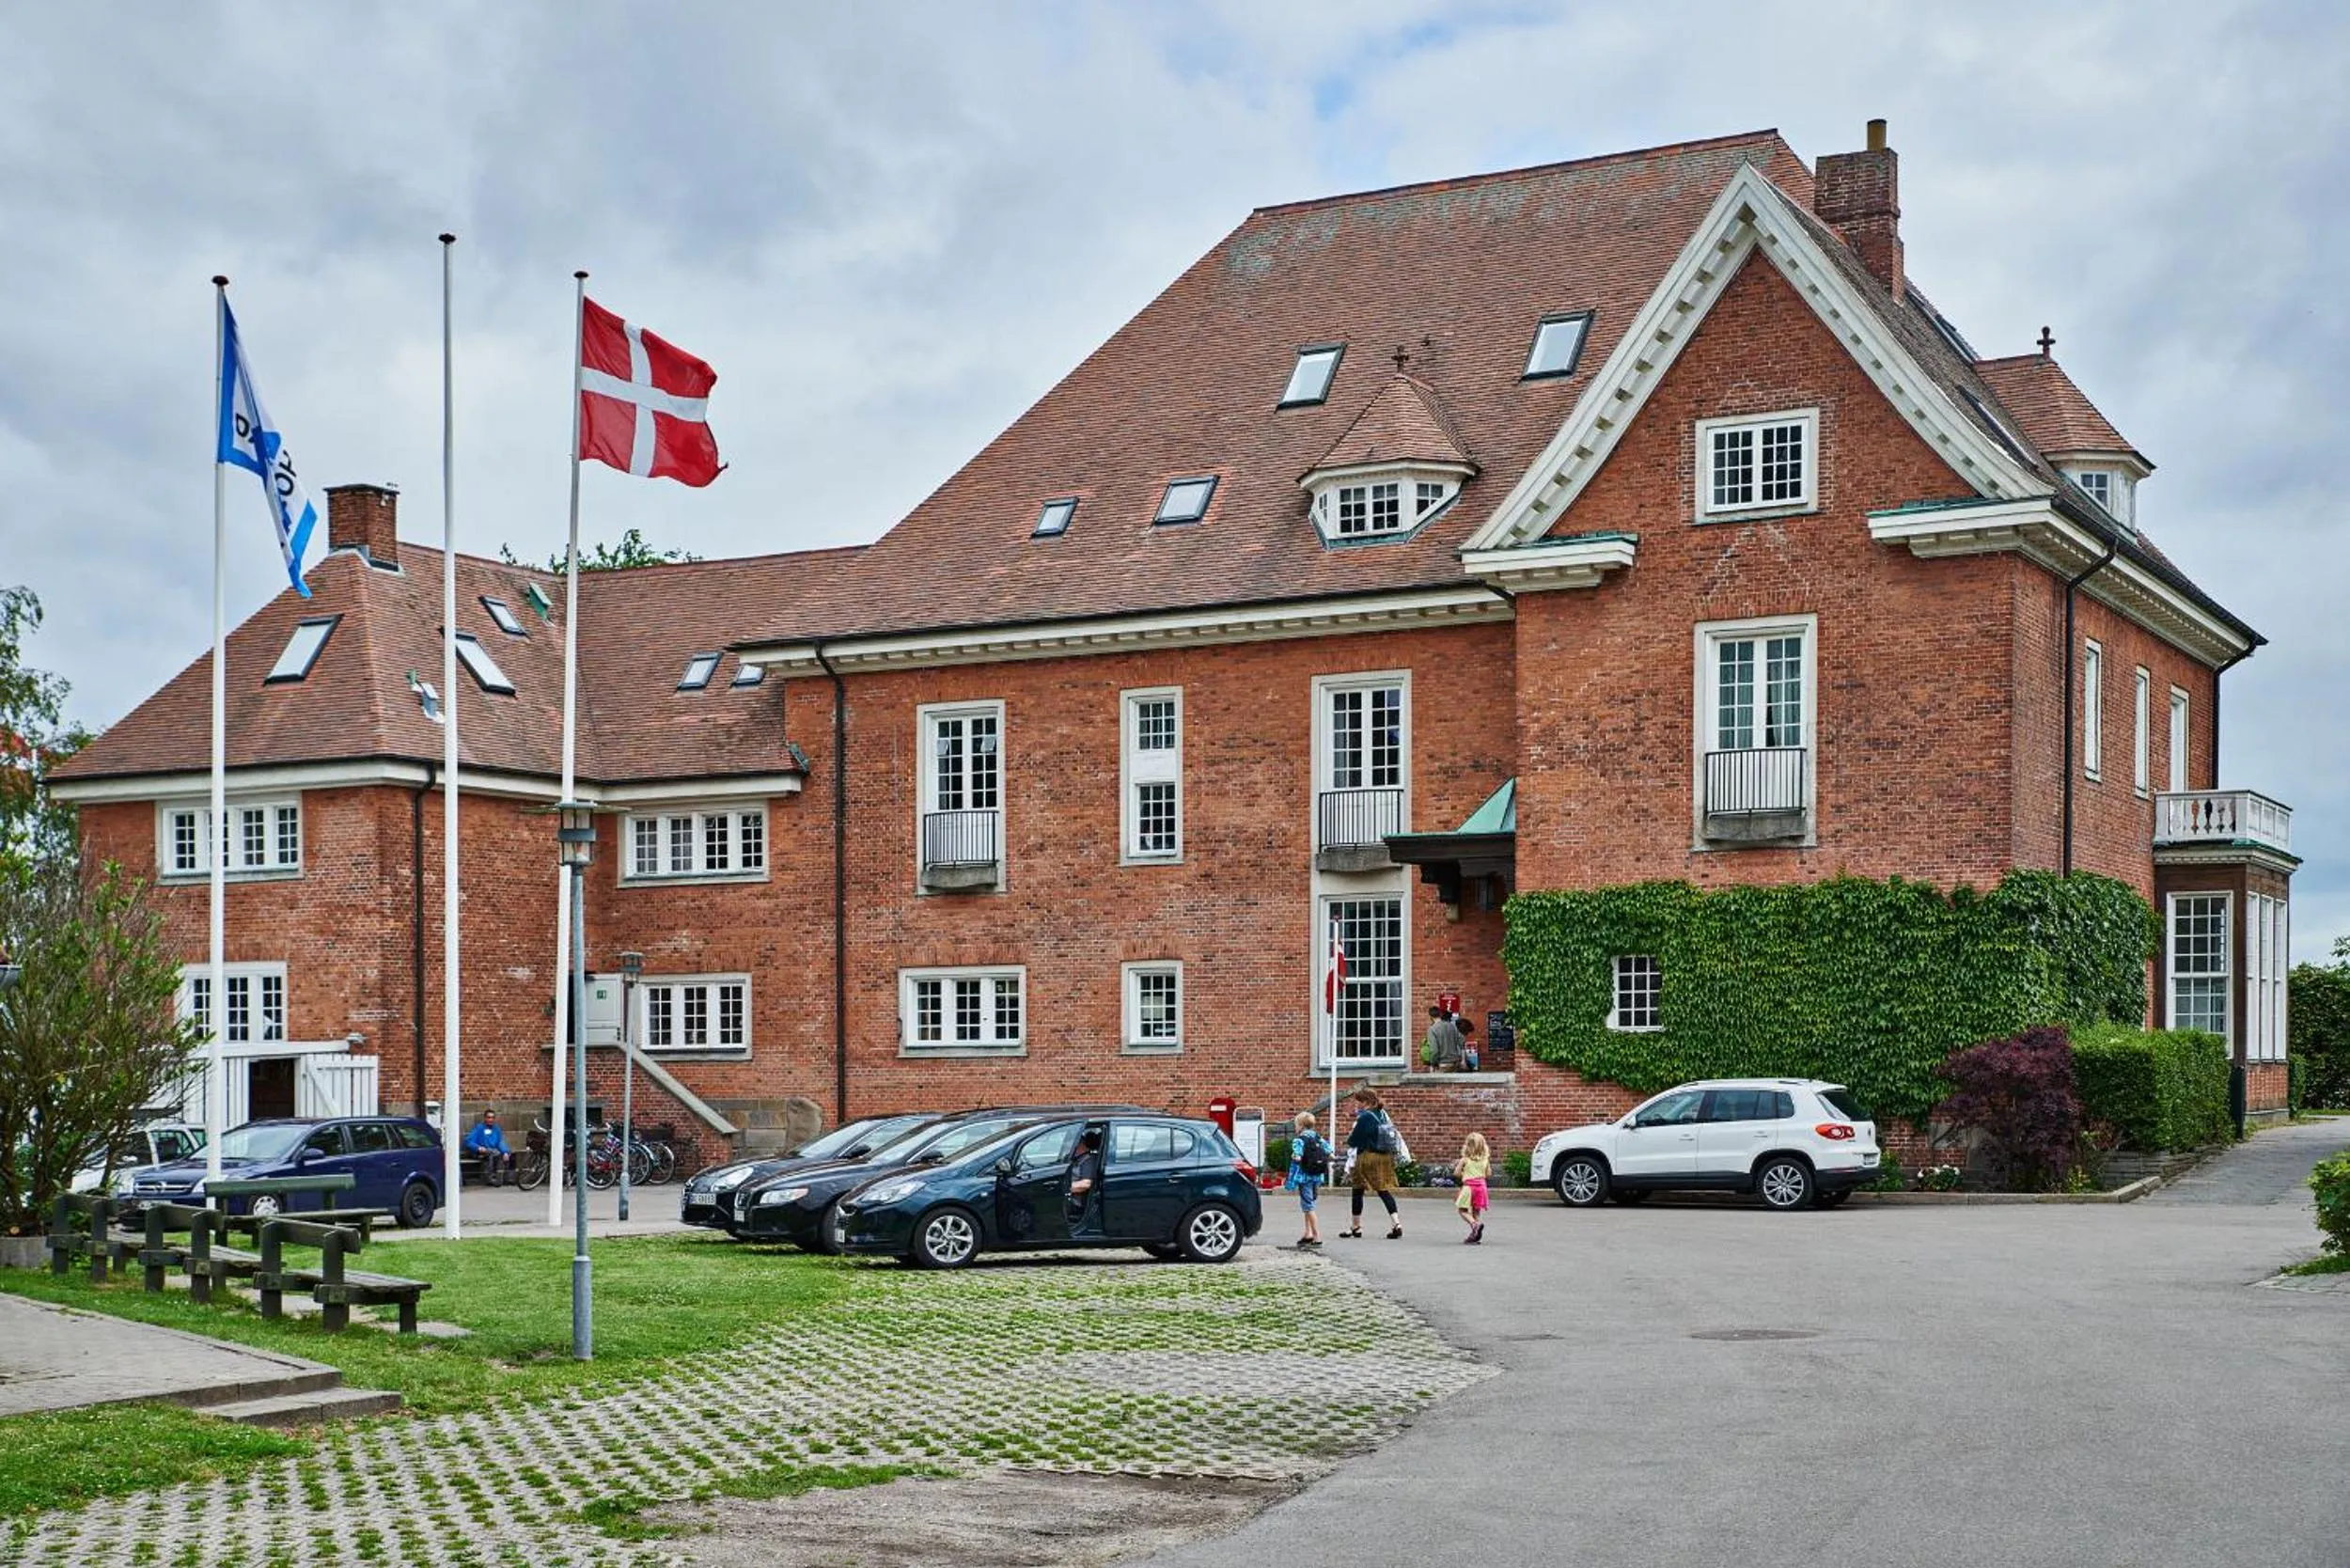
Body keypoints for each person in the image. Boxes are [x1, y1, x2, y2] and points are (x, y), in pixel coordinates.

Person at [1340, 1088, 1403, 1240]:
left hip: (1367, 1157)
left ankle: (1356, 1226)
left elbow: (1354, 1140)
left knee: (1358, 1189)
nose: (1356, 1104)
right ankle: (1396, 1223)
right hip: (1384, 1156)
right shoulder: (1382, 1114)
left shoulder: (1365, 1118)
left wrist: (1349, 1141)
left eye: (1359, 1101)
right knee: (1383, 1190)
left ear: (1366, 1102)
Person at [1286, 1111, 1333, 1248]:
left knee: (1308, 1206)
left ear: (1300, 1126)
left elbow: (1298, 1156)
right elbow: (1330, 1152)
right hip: (1317, 1176)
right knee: (1309, 1204)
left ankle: (1317, 1237)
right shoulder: (1319, 1138)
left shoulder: (1299, 1140)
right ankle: (1308, 1233)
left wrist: (1296, 1157)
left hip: (1304, 1177)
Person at [1064, 1126, 1104, 1233]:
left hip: (1075, 1203)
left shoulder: (1088, 1161)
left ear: (1081, 1145)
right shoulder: (1077, 1159)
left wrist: (1063, 1189)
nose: (1069, 1147)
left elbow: (1086, 1183)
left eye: (1072, 1145)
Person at [1455, 1131, 1492, 1245]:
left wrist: (1464, 1175)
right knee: (1476, 1210)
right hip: (1481, 1188)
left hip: (1469, 1187)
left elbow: (1456, 1173)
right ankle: (1475, 1233)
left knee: (1462, 1210)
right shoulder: (1485, 1160)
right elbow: (1488, 1174)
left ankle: (1475, 1225)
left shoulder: (1465, 1160)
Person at [463, 1108, 515, 1185]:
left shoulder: (496, 1129)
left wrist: (505, 1152)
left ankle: (506, 1178)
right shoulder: (479, 1128)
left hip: (492, 1150)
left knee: (508, 1154)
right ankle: (490, 1179)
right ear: (485, 1118)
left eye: (492, 1118)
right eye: (488, 1117)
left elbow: (500, 1142)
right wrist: (478, 1147)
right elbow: (468, 1141)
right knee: (491, 1154)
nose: (490, 1119)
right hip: (479, 1151)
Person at [1422, 1005, 1465, 1072]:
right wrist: (1463, 1060)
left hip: (1442, 1064)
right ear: (1440, 1014)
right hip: (1455, 1063)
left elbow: (1434, 1050)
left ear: (1430, 1017)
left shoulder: (1432, 1029)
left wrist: (1432, 1064)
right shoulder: (1452, 1026)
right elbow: (1461, 1043)